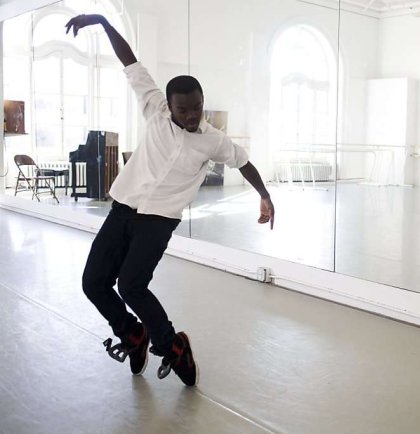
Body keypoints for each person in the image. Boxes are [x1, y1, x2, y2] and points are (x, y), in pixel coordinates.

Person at [65, 14, 275, 386]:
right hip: (123, 208)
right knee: (93, 282)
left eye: (197, 107)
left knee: (131, 285)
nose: (192, 116)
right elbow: (130, 62)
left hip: (159, 220)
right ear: (170, 105)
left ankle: (173, 346)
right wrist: (102, 22)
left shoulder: (212, 140)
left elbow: (243, 162)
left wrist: (264, 194)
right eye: (184, 109)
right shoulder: (154, 108)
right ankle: (133, 334)